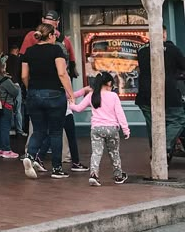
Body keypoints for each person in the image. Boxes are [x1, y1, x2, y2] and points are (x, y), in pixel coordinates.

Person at [20, 22, 76, 180]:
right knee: (56, 132)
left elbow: (24, 75)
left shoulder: (29, 52)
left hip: (33, 94)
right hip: (54, 94)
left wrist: (31, 89)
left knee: (38, 130)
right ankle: (57, 168)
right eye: (54, 36)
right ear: (51, 36)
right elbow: (62, 73)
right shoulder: (56, 49)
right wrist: (70, 93)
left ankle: (30, 156)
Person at [69, 72, 130, 186]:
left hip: (96, 129)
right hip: (112, 129)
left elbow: (78, 108)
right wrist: (125, 129)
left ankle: (94, 175)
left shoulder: (92, 95)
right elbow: (120, 113)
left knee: (96, 153)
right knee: (114, 152)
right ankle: (118, 175)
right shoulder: (113, 96)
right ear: (109, 83)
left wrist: (71, 104)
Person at [135, 25, 185, 162]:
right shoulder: (172, 50)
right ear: (163, 34)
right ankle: (164, 147)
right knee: (178, 119)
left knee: (153, 125)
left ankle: (157, 153)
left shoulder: (141, 50)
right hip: (168, 92)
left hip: (144, 94)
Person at [0, 56, 20, 159]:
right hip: (5, 106)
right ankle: (6, 150)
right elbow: (14, 92)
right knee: (5, 128)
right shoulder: (5, 80)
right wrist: (16, 86)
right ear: (1, 67)